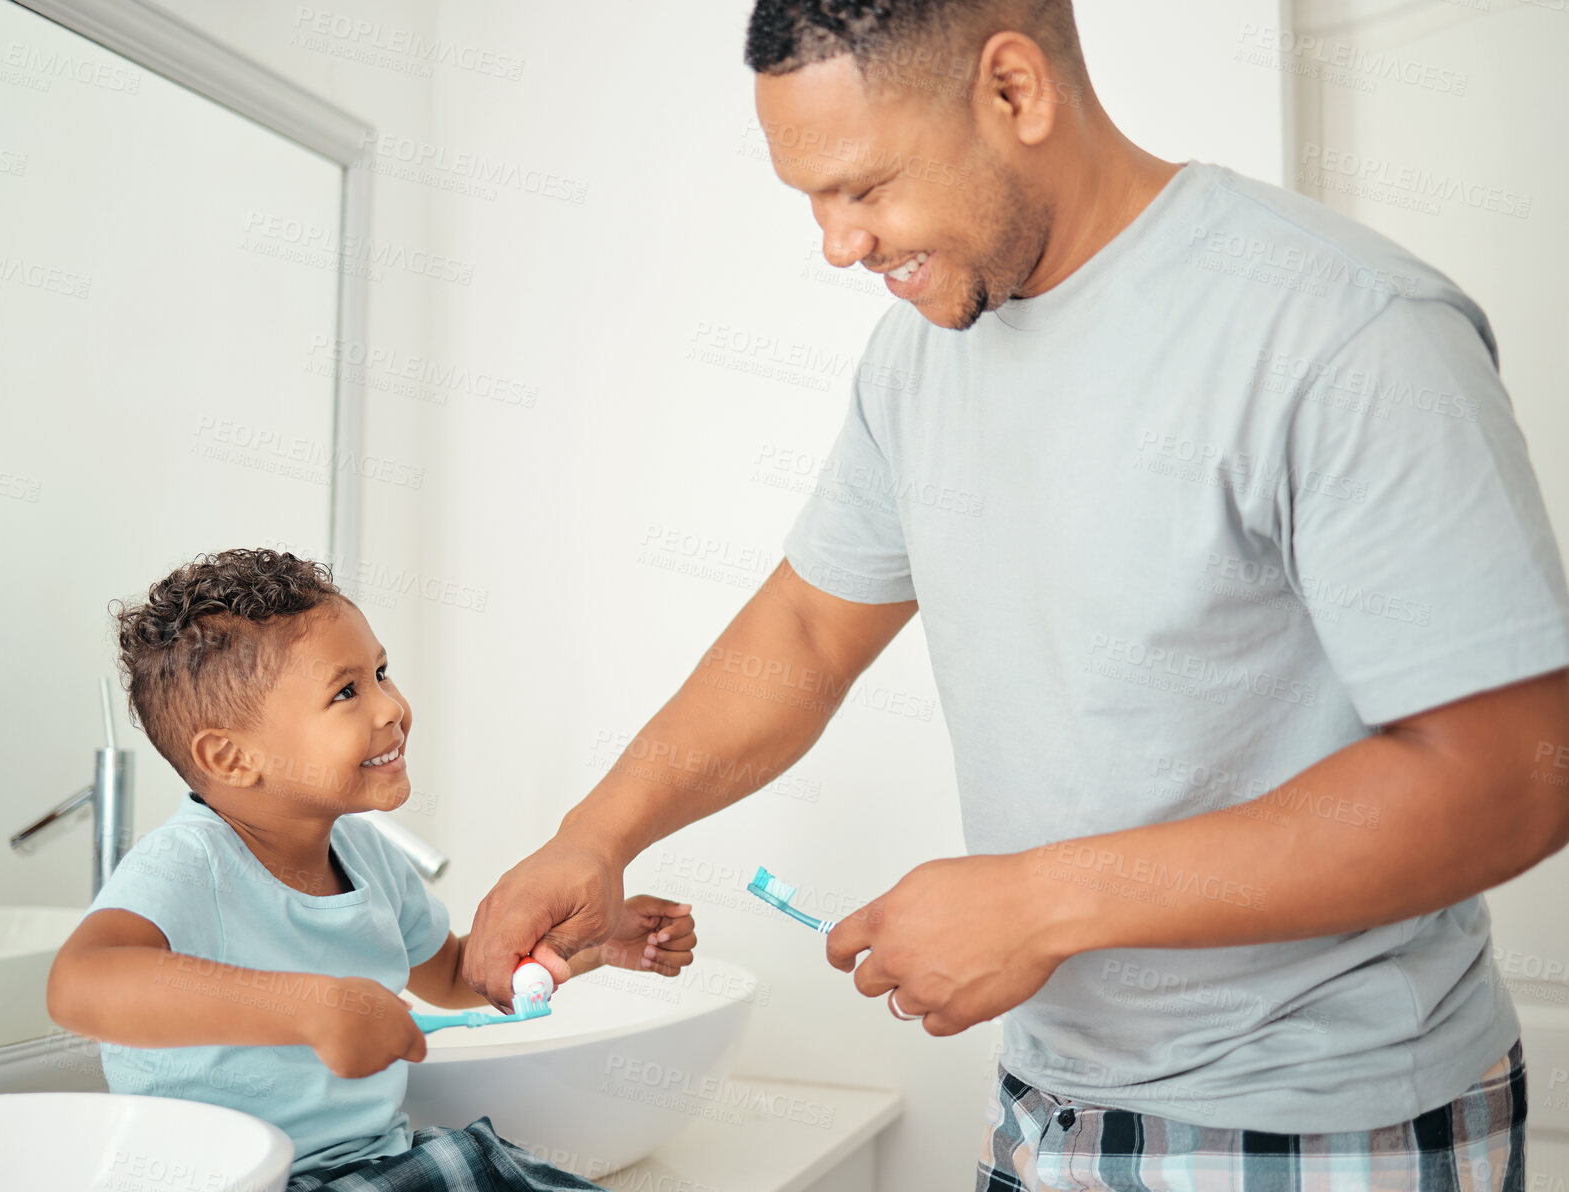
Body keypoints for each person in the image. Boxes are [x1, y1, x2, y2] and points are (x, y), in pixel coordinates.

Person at [461, 2, 1569, 1188]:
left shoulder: (1345, 328)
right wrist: (597, 836)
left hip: (1319, 1124)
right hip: (1051, 1108)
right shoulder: (919, 356)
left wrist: (1039, 903)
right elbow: (806, 632)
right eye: (814, 202)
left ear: (1015, 91)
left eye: (865, 186)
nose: (840, 244)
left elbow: (1512, 777)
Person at [46, 548, 697, 1190]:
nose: (390, 707)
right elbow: (79, 985)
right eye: (347, 692)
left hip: (373, 1161)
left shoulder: (366, 855)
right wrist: (307, 1007)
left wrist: (583, 944)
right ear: (231, 758)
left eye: (382, 673)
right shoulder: (191, 864)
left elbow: (451, 977)